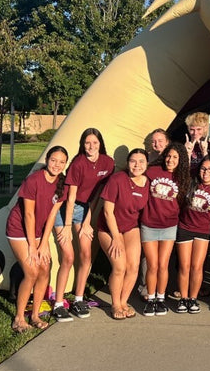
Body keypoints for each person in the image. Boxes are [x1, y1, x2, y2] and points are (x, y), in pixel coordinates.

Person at [52, 128, 114, 322]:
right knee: (68, 257)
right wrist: (67, 226)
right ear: (82, 144)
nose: (91, 146)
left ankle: (78, 299)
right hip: (64, 209)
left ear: (100, 143)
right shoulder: (78, 163)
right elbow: (70, 198)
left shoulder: (108, 163)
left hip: (84, 209)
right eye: (87, 143)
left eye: (95, 142)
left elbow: (97, 195)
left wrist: (87, 221)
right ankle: (59, 304)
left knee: (86, 254)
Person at [6, 146, 68, 333]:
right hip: (19, 229)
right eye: (53, 160)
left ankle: (34, 315)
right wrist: (33, 246)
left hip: (39, 230)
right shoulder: (33, 180)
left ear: (65, 164)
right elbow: (28, 214)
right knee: (32, 271)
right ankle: (18, 318)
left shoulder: (62, 185)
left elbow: (52, 216)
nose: (56, 165)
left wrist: (44, 243)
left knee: (45, 269)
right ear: (47, 160)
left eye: (61, 162)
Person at [97, 149, 150, 320]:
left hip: (130, 227)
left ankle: (123, 302)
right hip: (109, 228)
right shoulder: (117, 179)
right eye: (133, 161)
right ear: (127, 163)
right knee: (120, 266)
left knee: (133, 266)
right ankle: (115, 304)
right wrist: (116, 237)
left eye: (141, 161)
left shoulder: (147, 183)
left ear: (147, 164)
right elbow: (107, 211)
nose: (137, 165)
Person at [142, 143, 190, 316]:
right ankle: (151, 298)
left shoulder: (182, 177)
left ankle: (160, 299)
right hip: (149, 224)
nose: (170, 160)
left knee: (163, 265)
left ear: (181, 160)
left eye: (175, 157)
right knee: (152, 265)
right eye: (169, 156)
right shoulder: (152, 171)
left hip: (169, 226)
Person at [175, 156, 210, 314]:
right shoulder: (190, 183)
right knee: (184, 266)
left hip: (203, 231)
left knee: (197, 267)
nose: (206, 172)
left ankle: (193, 298)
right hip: (185, 227)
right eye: (203, 168)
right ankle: (183, 298)